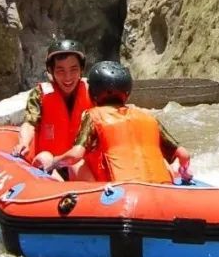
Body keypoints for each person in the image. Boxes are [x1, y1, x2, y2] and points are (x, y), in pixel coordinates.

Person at [56, 61, 192, 185]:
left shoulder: (93, 116)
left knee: (76, 163)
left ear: (92, 92)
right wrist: (184, 171)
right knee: (163, 159)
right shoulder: (148, 116)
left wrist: (52, 163)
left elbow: (75, 155)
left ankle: (93, 197)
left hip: (121, 192)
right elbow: (184, 155)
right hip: (161, 187)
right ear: (127, 92)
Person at [14, 38, 94, 178]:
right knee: (44, 157)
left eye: (73, 69)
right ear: (51, 70)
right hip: (50, 163)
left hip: (80, 162)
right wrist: (24, 143)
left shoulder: (93, 91)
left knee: (77, 164)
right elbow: (30, 123)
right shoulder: (39, 94)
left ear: (81, 69)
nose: (67, 77)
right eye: (60, 70)